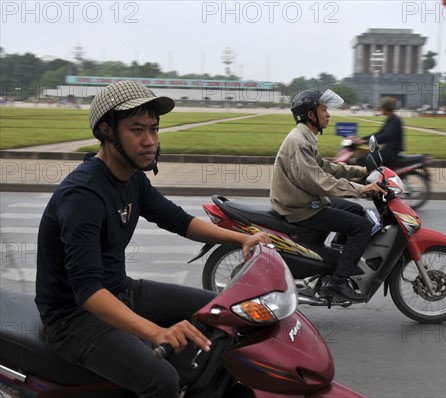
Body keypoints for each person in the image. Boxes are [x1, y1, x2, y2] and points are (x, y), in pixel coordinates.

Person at [35, 80, 270, 397]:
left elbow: (177, 219)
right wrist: (156, 332)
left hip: (121, 290)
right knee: (162, 381)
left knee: (225, 313)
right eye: (137, 130)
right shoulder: (83, 195)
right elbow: (88, 291)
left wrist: (241, 239)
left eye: (154, 129)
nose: (150, 141)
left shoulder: (132, 178)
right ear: (107, 131)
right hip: (73, 319)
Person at [270, 89, 386, 302]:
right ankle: (337, 282)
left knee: (357, 210)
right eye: (324, 109)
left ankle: (338, 260)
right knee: (362, 227)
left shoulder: (305, 137)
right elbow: (319, 181)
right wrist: (360, 189)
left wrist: (358, 171)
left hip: (305, 200)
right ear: (310, 114)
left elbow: (324, 167)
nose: (328, 114)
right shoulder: (299, 142)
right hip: (300, 208)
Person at [352, 96, 404, 167]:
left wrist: (365, 141)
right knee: (365, 156)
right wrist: (362, 139)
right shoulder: (391, 119)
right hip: (387, 150)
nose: (380, 109)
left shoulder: (394, 121)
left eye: (381, 107)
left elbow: (385, 136)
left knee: (365, 159)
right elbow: (379, 133)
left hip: (391, 152)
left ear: (386, 108)